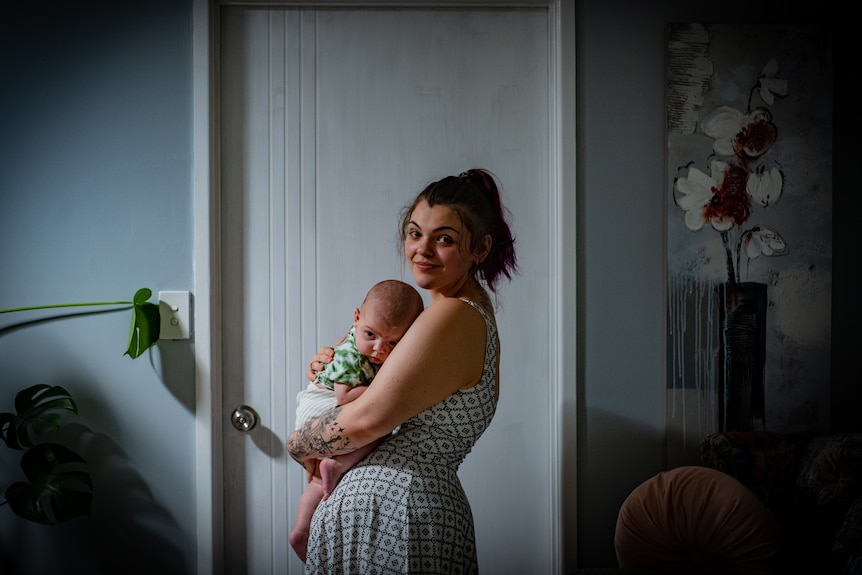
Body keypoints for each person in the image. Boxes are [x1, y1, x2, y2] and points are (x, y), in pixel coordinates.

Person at [287, 168, 518, 574]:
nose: (422, 249)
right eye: (415, 233)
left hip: (397, 515)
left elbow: (366, 419)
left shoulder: (452, 316)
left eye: (444, 238)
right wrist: (333, 363)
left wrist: (296, 445)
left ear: (480, 248)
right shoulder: (450, 316)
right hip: (396, 511)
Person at [289, 279, 424, 563]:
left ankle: (301, 531)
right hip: (323, 405)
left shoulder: (365, 344)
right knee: (381, 425)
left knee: (315, 483)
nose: (378, 349)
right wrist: (383, 394)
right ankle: (338, 464)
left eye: (392, 342)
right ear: (356, 318)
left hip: (322, 410)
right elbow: (345, 396)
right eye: (371, 334)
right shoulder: (350, 353)